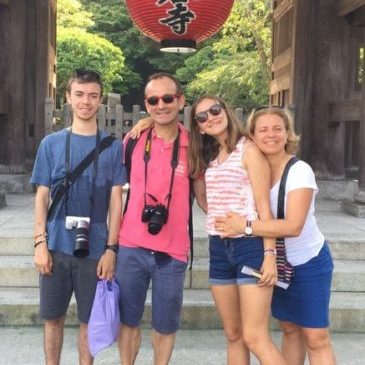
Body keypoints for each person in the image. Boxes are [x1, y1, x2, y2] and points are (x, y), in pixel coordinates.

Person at [216, 106, 336, 365]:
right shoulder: (250, 167)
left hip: (308, 262)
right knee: (289, 330)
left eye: (277, 129)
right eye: (263, 129)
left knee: (316, 338)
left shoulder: (299, 170)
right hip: (275, 264)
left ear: (288, 134)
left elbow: (293, 226)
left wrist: (245, 227)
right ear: (252, 135)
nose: (271, 135)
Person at [31, 68, 125, 365]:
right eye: (80, 94)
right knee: (53, 319)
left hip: (95, 249)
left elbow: (115, 200)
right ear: (68, 98)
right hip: (56, 245)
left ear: (101, 101)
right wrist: (39, 243)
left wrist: (111, 249)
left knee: (89, 321)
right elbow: (42, 195)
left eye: (93, 96)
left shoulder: (113, 147)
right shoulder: (51, 144)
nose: (86, 101)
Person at [189, 95, 286, 365]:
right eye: (202, 116)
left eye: (216, 110)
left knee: (255, 336)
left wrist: (270, 254)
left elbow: (264, 208)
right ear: (199, 127)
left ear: (226, 110)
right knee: (233, 334)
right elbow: (207, 201)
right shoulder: (212, 154)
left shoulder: (249, 149)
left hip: (249, 246)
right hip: (218, 247)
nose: (211, 117)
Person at [115, 72, 191, 365]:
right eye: (153, 100)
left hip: (172, 251)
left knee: (165, 324)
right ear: (146, 104)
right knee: (128, 320)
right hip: (131, 244)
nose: (161, 105)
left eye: (168, 98)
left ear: (180, 100)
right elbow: (112, 190)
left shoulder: (193, 144)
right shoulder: (133, 141)